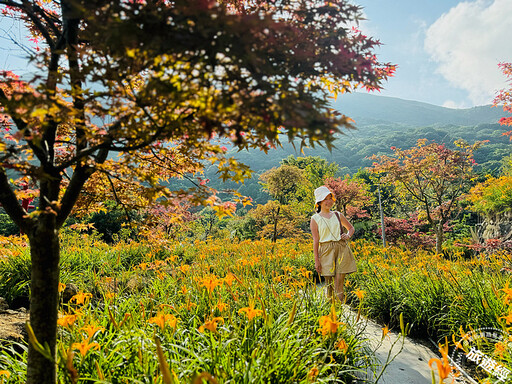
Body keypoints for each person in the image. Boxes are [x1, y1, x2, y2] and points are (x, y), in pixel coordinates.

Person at [310, 185, 356, 302]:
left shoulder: (337, 215)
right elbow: (316, 240)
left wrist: (348, 235)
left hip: (341, 248)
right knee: (329, 286)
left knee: (339, 285)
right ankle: (330, 312)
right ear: (319, 202)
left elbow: (351, 228)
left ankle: (339, 312)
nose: (329, 201)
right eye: (325, 199)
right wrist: (317, 260)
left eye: (330, 198)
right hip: (325, 250)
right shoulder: (315, 219)